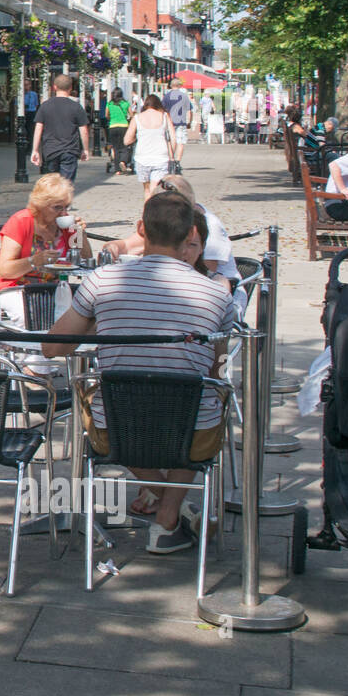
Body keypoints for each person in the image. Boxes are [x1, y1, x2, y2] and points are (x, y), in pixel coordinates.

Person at [44, 193, 237, 554]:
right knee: (202, 405)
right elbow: (216, 369)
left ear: (141, 230)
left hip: (117, 427)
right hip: (190, 428)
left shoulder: (103, 280)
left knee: (107, 411)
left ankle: (168, 511)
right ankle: (167, 515)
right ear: (189, 235)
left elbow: (52, 348)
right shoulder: (217, 296)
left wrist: (102, 324)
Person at [102, 173, 242, 299]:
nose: (165, 214)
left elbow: (207, 272)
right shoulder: (163, 220)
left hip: (218, 294)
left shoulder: (209, 226)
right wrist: (112, 248)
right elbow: (128, 245)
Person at [0, 173, 90, 292]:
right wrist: (34, 261)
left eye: (66, 207)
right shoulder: (21, 221)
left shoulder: (65, 224)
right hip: (16, 289)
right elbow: (5, 270)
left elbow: (86, 260)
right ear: (40, 204)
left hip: (55, 291)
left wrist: (80, 234)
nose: (64, 213)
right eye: (57, 207)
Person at [30, 74, 89, 181]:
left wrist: (35, 150)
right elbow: (83, 131)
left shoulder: (45, 106)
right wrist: (85, 149)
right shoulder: (76, 107)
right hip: (69, 151)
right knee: (66, 186)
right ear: (70, 88)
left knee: (53, 185)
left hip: (50, 150)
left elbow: (38, 129)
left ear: (54, 87)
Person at [125, 94, 176, 199]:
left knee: (147, 190)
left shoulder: (137, 118)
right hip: (161, 157)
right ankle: (155, 212)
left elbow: (127, 141)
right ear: (158, 105)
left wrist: (137, 137)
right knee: (154, 188)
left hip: (142, 158)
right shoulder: (165, 116)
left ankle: (147, 213)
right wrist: (172, 156)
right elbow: (173, 138)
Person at [160, 80, 192, 173]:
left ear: (170, 85)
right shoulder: (184, 96)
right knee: (180, 142)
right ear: (180, 86)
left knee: (170, 141)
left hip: (170, 122)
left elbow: (163, 110)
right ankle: (178, 161)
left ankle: (171, 159)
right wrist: (189, 121)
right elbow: (189, 110)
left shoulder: (166, 96)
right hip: (181, 122)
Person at [106, 88, 132, 175]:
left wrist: (112, 119)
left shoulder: (109, 104)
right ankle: (123, 162)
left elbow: (107, 115)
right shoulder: (125, 103)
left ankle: (117, 170)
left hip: (113, 127)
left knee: (115, 148)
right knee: (124, 147)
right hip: (124, 127)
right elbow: (131, 115)